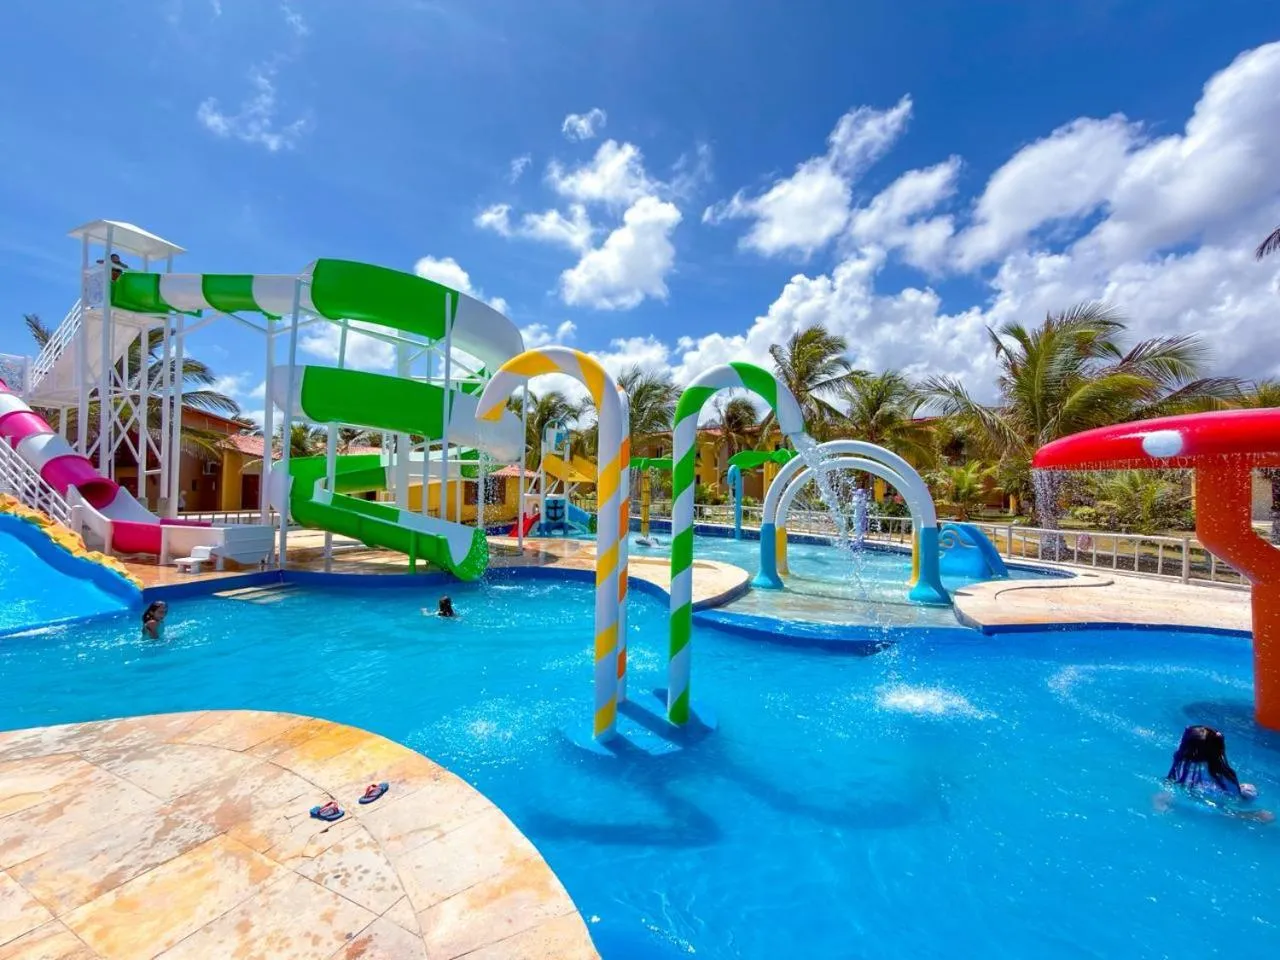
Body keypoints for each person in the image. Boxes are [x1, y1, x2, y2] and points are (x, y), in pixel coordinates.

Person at [1154, 725, 1272, 821]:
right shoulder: (1225, 777)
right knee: (1249, 792)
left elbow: (1169, 788)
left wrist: (1160, 805)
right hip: (1221, 805)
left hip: (1198, 801)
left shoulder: (1180, 768)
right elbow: (1233, 800)